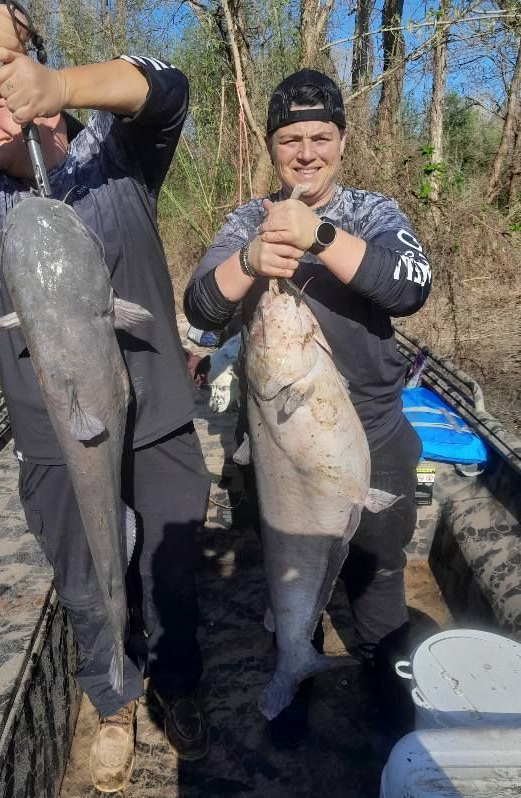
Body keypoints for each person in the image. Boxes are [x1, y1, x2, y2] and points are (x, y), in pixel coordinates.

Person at [0, 3, 210, 791]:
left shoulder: (116, 157)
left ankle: (179, 686)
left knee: (172, 576)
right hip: (54, 441)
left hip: (156, 426)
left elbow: (168, 89)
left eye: (0, 96)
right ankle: (114, 702)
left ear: (41, 92)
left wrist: (63, 86)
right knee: (86, 584)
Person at [184, 69, 431, 747]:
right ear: (271, 147)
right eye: (289, 139)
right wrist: (250, 259)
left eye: (320, 137)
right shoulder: (247, 220)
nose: (305, 153)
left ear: (341, 142)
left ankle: (391, 696)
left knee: (376, 575)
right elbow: (200, 305)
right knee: (289, 574)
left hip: (372, 435)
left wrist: (319, 236)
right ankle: (293, 674)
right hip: (278, 440)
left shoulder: (374, 213)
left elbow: (411, 286)